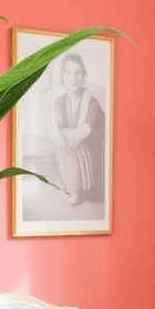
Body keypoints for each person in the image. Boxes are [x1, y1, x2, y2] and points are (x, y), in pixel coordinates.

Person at [50, 52, 105, 206]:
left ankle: (77, 190)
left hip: (89, 149)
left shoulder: (91, 100)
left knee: (69, 144)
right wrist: (60, 135)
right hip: (69, 149)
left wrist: (76, 134)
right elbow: (58, 128)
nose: (73, 78)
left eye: (78, 73)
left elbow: (89, 127)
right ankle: (68, 187)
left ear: (84, 76)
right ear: (62, 77)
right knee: (60, 143)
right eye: (68, 73)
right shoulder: (59, 103)